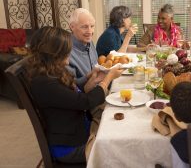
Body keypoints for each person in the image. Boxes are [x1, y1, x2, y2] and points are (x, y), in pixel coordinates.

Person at [28, 26, 123, 163]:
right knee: (119, 150)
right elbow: (85, 102)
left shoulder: (53, 70)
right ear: (54, 54)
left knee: (118, 128)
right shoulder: (44, 82)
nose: (70, 55)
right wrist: (108, 78)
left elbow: (73, 95)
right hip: (69, 146)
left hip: (79, 129)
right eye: (67, 52)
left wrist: (94, 80)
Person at [68, 8, 100, 88]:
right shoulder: (66, 50)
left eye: (92, 26)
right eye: (84, 27)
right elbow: (72, 86)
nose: (90, 31)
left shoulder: (90, 42)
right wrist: (90, 75)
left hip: (98, 88)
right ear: (72, 27)